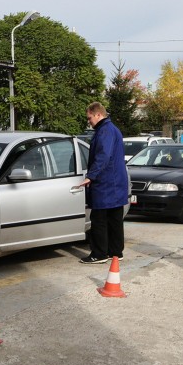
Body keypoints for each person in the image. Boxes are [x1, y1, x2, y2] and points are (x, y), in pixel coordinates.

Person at [77, 102, 129, 264]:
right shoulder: (113, 129)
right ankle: (116, 252)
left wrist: (90, 176)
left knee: (99, 219)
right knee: (114, 219)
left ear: (98, 115)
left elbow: (103, 155)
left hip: (105, 183)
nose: (89, 122)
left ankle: (99, 254)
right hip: (116, 183)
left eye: (90, 118)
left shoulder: (104, 131)